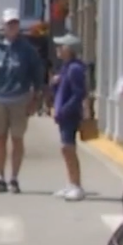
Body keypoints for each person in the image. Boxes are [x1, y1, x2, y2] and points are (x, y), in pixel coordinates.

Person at [0, 9, 44, 193]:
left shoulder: (27, 50)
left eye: (15, 23)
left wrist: (34, 101)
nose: (12, 27)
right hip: (0, 100)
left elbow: (37, 77)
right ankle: (0, 177)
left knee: (17, 140)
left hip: (19, 100)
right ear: (3, 26)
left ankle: (14, 178)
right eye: (9, 23)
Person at [51, 33, 88, 201]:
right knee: (65, 149)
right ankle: (71, 183)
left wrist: (64, 110)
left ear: (70, 50)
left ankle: (76, 185)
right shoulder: (66, 68)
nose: (58, 49)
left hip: (70, 115)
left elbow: (79, 94)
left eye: (62, 46)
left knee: (69, 149)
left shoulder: (74, 69)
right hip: (64, 115)